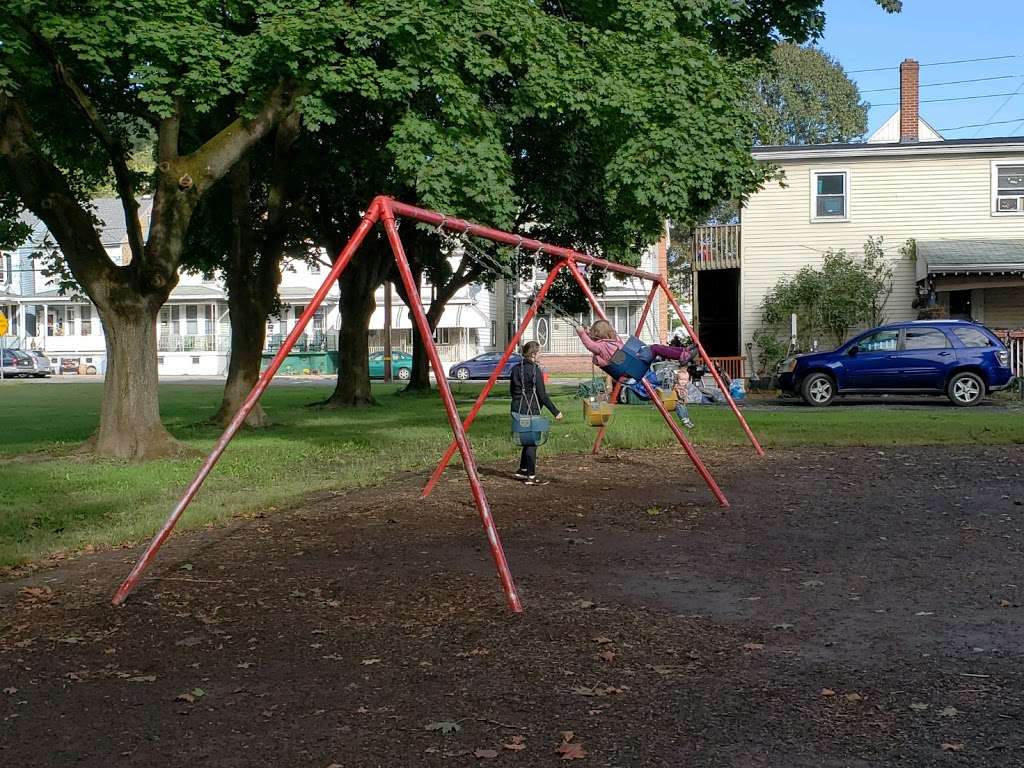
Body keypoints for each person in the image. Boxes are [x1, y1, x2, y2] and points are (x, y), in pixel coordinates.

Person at [509, 340, 562, 485]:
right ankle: (531, 477)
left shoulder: (515, 369)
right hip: (530, 410)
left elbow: (512, 391)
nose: (539, 355)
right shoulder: (535, 370)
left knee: (526, 438)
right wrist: (556, 412)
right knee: (532, 442)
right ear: (533, 354)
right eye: (538, 352)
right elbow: (542, 395)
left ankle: (522, 470)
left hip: (516, 409)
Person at [575, 320, 697, 368]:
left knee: (657, 348)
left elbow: (592, 341)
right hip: (633, 363)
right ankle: (681, 354)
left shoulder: (611, 343)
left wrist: (586, 333)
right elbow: (590, 345)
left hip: (631, 360)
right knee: (656, 348)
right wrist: (581, 333)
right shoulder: (601, 347)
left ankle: (683, 351)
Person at [673, 362, 694, 429]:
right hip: (676, 402)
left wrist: (685, 398)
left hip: (682, 402)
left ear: (688, 381)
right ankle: (684, 420)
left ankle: (687, 420)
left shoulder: (685, 387)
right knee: (680, 408)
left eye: (685, 380)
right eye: (681, 379)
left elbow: (684, 396)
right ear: (677, 380)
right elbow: (680, 394)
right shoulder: (677, 386)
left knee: (685, 409)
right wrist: (681, 393)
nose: (683, 381)